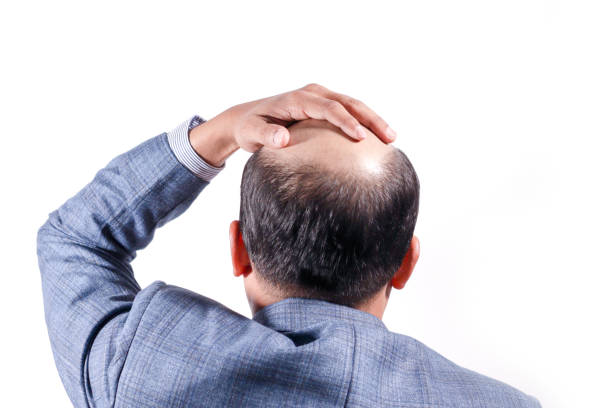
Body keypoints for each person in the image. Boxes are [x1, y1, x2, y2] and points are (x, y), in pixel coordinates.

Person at [37, 84, 541, 407]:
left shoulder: (144, 365)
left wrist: (216, 135)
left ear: (239, 250)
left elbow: (75, 240)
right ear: (405, 264)